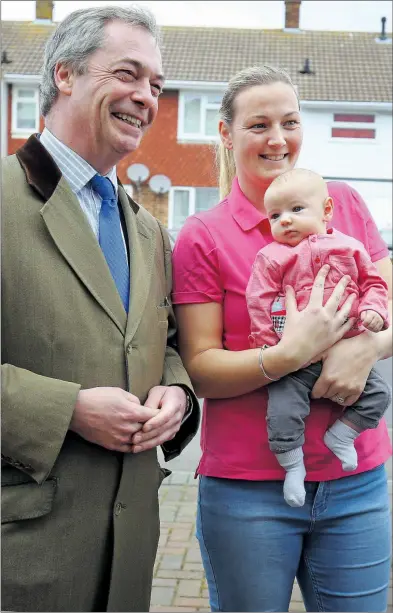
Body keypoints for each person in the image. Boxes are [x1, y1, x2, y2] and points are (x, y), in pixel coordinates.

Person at [172, 65, 392, 612]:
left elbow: (387, 300)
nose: (278, 139)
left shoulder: (340, 201)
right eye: (258, 125)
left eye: (289, 122)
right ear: (226, 134)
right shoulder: (204, 236)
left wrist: (365, 347)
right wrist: (288, 354)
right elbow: (200, 367)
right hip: (248, 489)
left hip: (356, 481)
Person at [1, 6, 200, 613]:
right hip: (26, 555)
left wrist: (178, 394)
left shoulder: (147, 230)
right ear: (65, 74)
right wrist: (68, 411)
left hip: (130, 555)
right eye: (128, 74)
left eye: (157, 86)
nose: (146, 97)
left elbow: (161, 343)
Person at [246, 167, 391, 508]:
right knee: (282, 412)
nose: (285, 221)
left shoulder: (350, 247)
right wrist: (270, 344)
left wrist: (375, 312)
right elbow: (258, 299)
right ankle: (293, 466)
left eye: (296, 210)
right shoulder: (272, 256)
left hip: (346, 350)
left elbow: (375, 285)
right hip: (295, 359)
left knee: (379, 395)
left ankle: (343, 435)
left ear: (326, 211)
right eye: (275, 216)